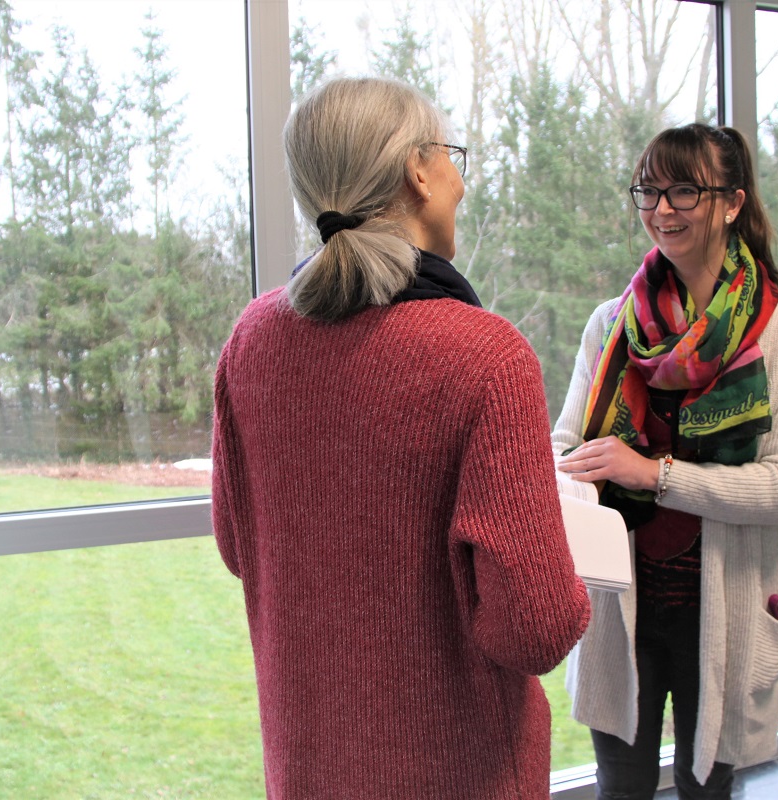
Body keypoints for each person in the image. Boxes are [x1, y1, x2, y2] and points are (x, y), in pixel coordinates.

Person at [210, 76, 591, 800]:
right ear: (420, 168)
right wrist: (570, 570)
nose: (459, 181)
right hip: (459, 772)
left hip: (309, 765)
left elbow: (241, 546)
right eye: (452, 157)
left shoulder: (250, 344)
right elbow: (536, 630)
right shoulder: (486, 356)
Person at [554, 123, 778, 799]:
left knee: (707, 785)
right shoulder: (610, 324)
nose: (662, 209)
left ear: (732, 202)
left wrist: (654, 476)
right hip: (622, 605)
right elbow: (567, 448)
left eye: (684, 190)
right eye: (650, 189)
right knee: (621, 786)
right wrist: (578, 476)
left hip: (724, 605)